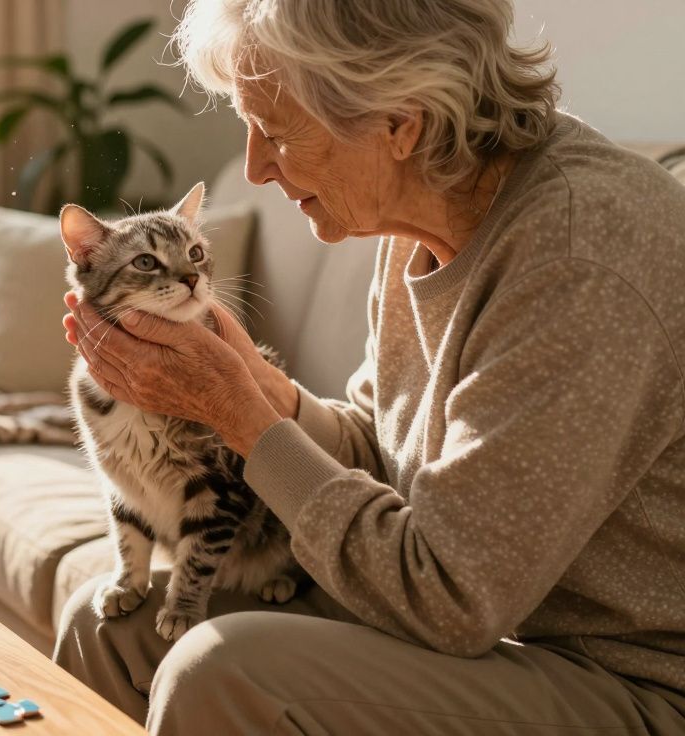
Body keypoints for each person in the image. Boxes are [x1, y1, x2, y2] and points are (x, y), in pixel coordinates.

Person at [54, 0, 685, 732]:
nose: (254, 168)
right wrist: (270, 395)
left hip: (622, 676)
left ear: (397, 121)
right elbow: (381, 456)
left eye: (276, 132)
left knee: (220, 669)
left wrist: (241, 417)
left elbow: (451, 596)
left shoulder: (580, 257)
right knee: (106, 631)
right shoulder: (420, 215)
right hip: (492, 629)